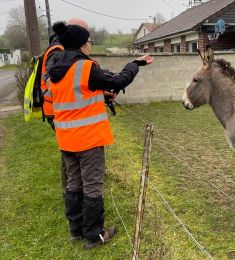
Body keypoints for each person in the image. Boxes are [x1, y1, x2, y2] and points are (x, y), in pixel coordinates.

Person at [49, 20, 153, 249]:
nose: (90, 45)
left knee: (74, 185)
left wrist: (102, 96)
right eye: (89, 41)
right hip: (88, 140)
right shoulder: (85, 67)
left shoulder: (55, 68)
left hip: (66, 140)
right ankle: (95, 235)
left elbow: (76, 97)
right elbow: (118, 81)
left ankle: (76, 230)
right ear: (82, 44)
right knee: (93, 187)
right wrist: (134, 64)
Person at [42, 18, 91, 194]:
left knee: (70, 151)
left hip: (59, 107)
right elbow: (53, 80)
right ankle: (71, 191)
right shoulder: (58, 50)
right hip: (56, 109)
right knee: (69, 152)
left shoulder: (59, 47)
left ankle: (75, 188)